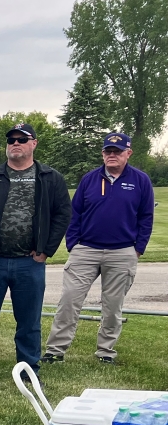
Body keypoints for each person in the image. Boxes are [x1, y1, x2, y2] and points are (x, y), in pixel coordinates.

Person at [0, 122, 71, 379]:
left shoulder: (50, 178)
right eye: (11, 140)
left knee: (29, 321)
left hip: (29, 263)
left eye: (22, 139)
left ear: (34, 144)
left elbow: (63, 216)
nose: (15, 144)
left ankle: (29, 368)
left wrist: (45, 251)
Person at [44, 132, 155, 365]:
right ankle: (55, 351)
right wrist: (73, 244)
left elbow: (146, 217)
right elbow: (75, 214)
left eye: (117, 151)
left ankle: (106, 352)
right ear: (103, 154)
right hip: (86, 250)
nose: (111, 155)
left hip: (123, 251)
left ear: (128, 153)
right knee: (69, 300)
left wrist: (138, 249)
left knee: (113, 306)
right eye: (108, 151)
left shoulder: (140, 180)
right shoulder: (90, 179)